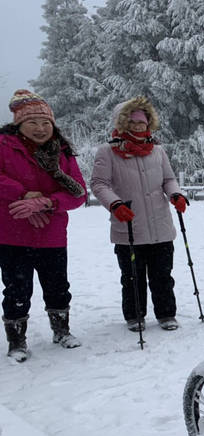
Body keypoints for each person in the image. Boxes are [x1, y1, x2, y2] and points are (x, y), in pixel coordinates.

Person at [0, 89, 86, 362]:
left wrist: (47, 203)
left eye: (45, 123)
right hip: (13, 233)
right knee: (16, 289)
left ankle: (61, 330)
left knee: (58, 285)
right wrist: (22, 194)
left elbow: (79, 193)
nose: (40, 128)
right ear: (18, 125)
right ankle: (17, 340)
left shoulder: (62, 152)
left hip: (52, 233)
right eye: (32, 123)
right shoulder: (3, 146)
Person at [90, 96, 188, 332]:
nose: (137, 127)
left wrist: (175, 194)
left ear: (148, 124)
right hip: (130, 227)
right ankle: (135, 316)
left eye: (142, 123)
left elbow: (169, 179)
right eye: (132, 123)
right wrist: (115, 204)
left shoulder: (157, 151)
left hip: (161, 226)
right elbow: (99, 183)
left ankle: (166, 314)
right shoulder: (108, 151)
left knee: (163, 275)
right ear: (122, 124)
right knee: (132, 277)